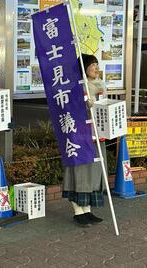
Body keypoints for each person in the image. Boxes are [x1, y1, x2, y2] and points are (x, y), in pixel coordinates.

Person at [62, 53, 107, 227]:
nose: (96, 68)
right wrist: (83, 104)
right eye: (92, 65)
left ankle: (87, 210)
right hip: (80, 137)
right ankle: (77, 211)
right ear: (84, 68)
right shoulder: (76, 88)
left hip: (97, 136)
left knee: (94, 172)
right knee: (80, 173)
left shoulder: (100, 86)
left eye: (97, 64)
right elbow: (69, 112)